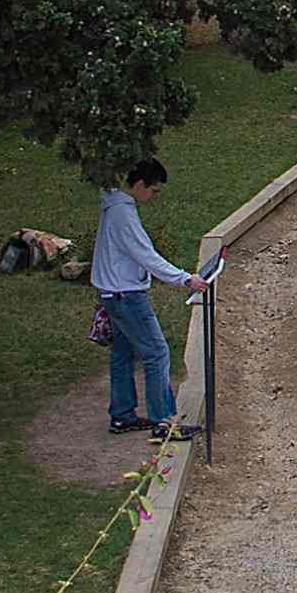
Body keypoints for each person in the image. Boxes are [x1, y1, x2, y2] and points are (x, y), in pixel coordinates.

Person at [93, 157, 214, 436]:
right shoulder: (123, 214)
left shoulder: (114, 205)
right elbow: (146, 255)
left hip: (112, 292)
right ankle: (164, 422)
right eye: (153, 190)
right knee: (156, 353)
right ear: (139, 184)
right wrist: (185, 278)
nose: (154, 196)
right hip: (127, 295)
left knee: (123, 353)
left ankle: (122, 415)